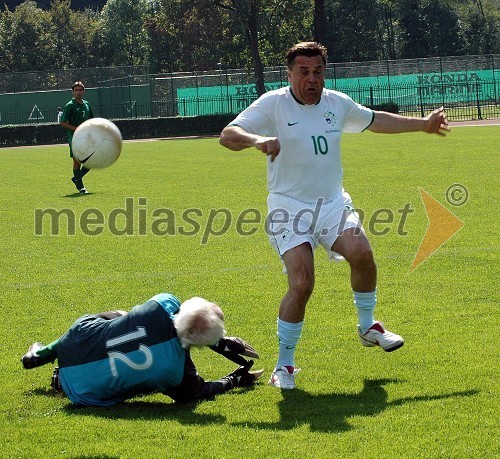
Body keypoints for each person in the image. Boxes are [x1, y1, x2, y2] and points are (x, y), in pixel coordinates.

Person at [219, 41, 450, 390]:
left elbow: (375, 120)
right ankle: (284, 366)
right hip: (288, 207)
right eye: (304, 72)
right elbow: (228, 135)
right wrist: (257, 140)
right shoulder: (273, 104)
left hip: (331, 204)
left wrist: (423, 124)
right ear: (290, 73)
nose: (312, 79)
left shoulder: (336, 104)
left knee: (363, 254)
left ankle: (368, 326)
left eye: (318, 71)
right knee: (302, 283)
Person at [21, 293, 263, 405]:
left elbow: (177, 308)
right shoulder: (177, 373)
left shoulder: (160, 306)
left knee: (123, 317)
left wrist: (220, 341)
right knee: (149, 375)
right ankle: (59, 378)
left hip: (76, 341)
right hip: (80, 391)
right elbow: (198, 391)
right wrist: (234, 380)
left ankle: (39, 355)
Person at [59, 81, 94, 194]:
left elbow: (92, 120)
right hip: (74, 138)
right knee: (77, 162)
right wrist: (76, 129)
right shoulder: (70, 105)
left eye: (80, 90)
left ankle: (76, 178)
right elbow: (63, 122)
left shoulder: (87, 104)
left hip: (87, 138)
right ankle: (81, 188)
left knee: (91, 161)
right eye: (76, 90)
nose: (78, 92)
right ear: (73, 92)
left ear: (84, 91)